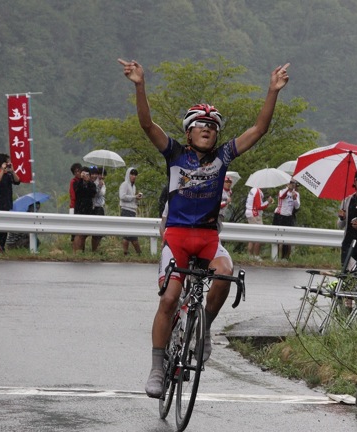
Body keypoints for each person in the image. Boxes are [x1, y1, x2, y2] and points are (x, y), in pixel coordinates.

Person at [118, 57, 290, 398]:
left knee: (226, 274)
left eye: (212, 125)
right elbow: (147, 124)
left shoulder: (223, 157)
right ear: (188, 131)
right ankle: (156, 367)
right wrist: (140, 85)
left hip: (209, 238)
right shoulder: (175, 154)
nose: (207, 128)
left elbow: (259, 130)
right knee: (169, 298)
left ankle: (204, 329)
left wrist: (272, 91)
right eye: (200, 124)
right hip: (177, 237)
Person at [0, 153, 20, 252]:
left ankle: (2, 247)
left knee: (4, 228)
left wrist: (12, 171)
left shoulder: (9, 174)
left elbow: (17, 181)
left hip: (6, 205)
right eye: (7, 162)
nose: (9, 164)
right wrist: (2, 171)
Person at [273, 179, 300, 259]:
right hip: (279, 215)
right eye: (291, 183)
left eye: (294, 183)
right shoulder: (282, 191)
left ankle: (285, 257)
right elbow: (281, 197)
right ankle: (275, 256)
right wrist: (288, 189)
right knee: (277, 237)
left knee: (287, 239)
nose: (292, 184)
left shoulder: (296, 193)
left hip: (288, 217)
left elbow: (297, 206)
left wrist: (295, 198)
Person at [72, 166, 97, 252]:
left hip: (88, 211)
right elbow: (77, 192)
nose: (86, 176)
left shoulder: (92, 185)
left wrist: (88, 182)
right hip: (79, 210)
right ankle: (76, 251)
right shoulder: (77, 183)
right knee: (78, 233)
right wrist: (81, 181)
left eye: (87, 174)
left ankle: (81, 251)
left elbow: (93, 193)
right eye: (84, 174)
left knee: (84, 233)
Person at [119, 166, 143, 256]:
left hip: (132, 210)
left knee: (129, 234)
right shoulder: (124, 184)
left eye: (135, 174)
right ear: (128, 175)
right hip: (126, 210)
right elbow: (122, 196)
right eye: (132, 174)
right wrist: (134, 197)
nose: (134, 176)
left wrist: (137, 198)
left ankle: (126, 253)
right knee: (130, 234)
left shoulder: (134, 186)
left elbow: (131, 199)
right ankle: (138, 253)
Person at [245, 186, 273, 260]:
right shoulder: (257, 191)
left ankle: (250, 256)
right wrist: (268, 202)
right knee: (259, 235)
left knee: (252, 236)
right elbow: (259, 206)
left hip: (250, 213)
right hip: (254, 214)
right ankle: (256, 256)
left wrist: (267, 202)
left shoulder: (253, 190)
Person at [90, 166, 106, 252]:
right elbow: (94, 194)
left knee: (99, 231)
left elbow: (102, 193)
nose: (95, 175)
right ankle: (93, 249)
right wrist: (98, 187)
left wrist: (100, 186)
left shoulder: (101, 183)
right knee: (93, 231)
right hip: (92, 207)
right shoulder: (91, 183)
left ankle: (96, 249)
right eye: (93, 173)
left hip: (99, 207)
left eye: (96, 174)